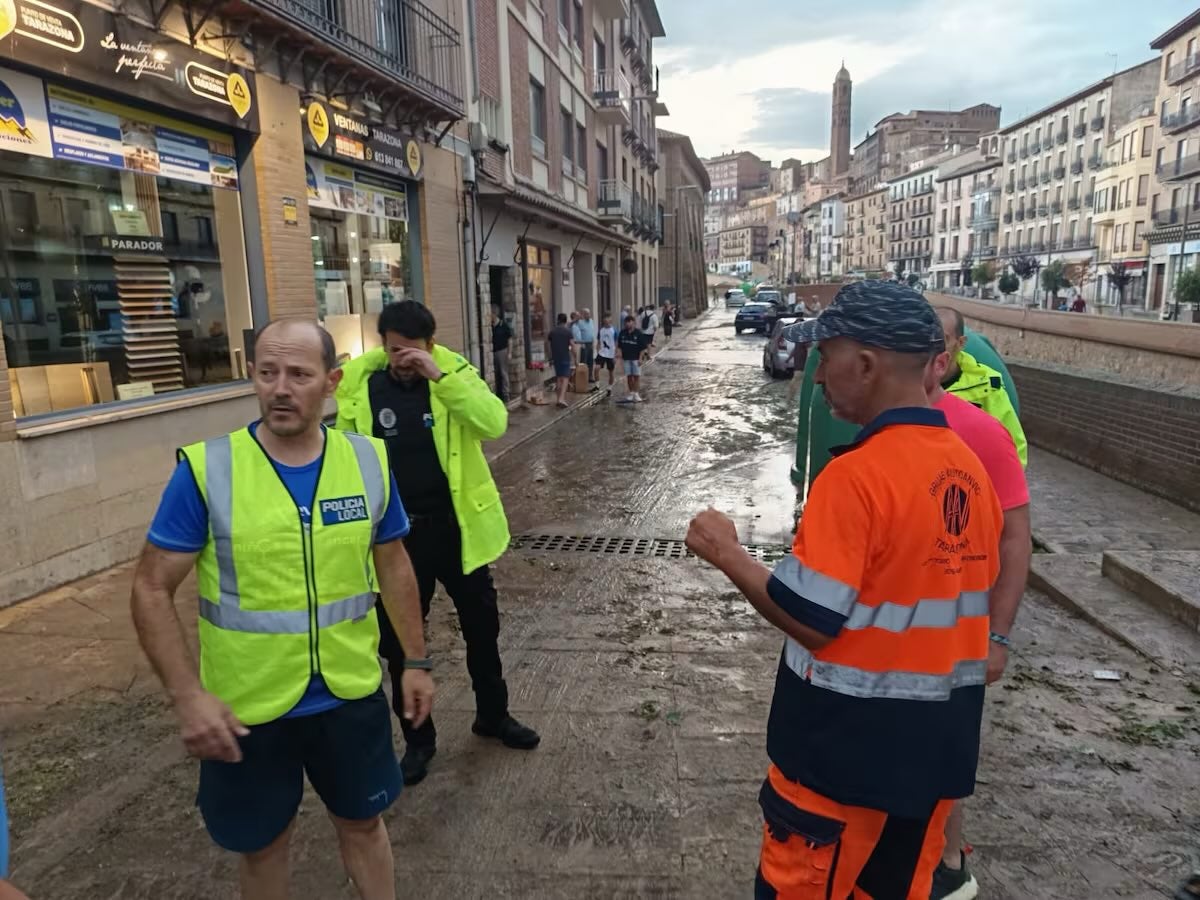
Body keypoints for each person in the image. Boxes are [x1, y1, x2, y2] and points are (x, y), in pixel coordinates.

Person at [688, 282, 1003, 898]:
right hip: (935, 760)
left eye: (825, 356)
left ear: (865, 365)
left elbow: (810, 617)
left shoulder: (855, 478)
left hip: (843, 767)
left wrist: (727, 552)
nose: (817, 371)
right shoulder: (968, 470)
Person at [130, 319, 433, 900]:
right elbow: (149, 587)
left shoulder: (368, 461)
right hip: (249, 707)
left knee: (364, 824)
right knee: (265, 845)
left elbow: (393, 564)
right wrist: (187, 695)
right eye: (267, 373)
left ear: (332, 382)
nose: (280, 388)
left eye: (298, 374)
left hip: (348, 692)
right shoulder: (207, 470)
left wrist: (415, 660)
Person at [335, 301, 539, 786]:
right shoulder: (359, 381)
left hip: (457, 530)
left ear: (430, 344)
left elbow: (494, 422)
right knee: (401, 643)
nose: (400, 359)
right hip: (395, 538)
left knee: (482, 629)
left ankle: (493, 716)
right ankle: (418, 742)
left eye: (410, 350)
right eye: (392, 350)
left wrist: (439, 376)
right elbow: (344, 450)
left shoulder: (454, 371)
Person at [926, 346, 1032, 900]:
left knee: (947, 752)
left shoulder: (982, 433)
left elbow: (1016, 539)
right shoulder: (874, 429)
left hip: (958, 635)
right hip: (887, 643)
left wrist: (998, 634)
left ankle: (948, 864)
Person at [936, 307, 1028, 467]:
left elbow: (1013, 446)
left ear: (961, 343)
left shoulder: (987, 386)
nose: (935, 347)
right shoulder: (908, 382)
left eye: (943, 339)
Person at [616, 314, 647, 403]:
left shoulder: (638, 333)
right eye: (626, 322)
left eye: (630, 322)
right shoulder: (622, 333)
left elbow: (642, 348)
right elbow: (619, 346)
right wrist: (619, 354)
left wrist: (640, 358)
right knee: (629, 376)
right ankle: (631, 393)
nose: (628, 324)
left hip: (636, 359)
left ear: (634, 323)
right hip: (626, 358)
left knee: (636, 376)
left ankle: (636, 394)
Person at [547, 312, 575, 408]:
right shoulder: (568, 332)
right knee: (565, 378)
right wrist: (575, 358)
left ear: (558, 320)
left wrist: (549, 356)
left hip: (555, 357)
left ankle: (558, 398)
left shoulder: (552, 331)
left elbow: (547, 344)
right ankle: (561, 399)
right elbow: (572, 345)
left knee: (559, 378)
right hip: (565, 357)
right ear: (565, 320)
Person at [490, 305, 513, 403]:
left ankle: (506, 394)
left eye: (490, 314)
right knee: (495, 373)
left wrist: (509, 353)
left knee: (503, 373)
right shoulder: (490, 326)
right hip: (493, 352)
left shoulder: (503, 325)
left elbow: (510, 339)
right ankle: (497, 393)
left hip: (502, 351)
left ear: (494, 314)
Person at [571, 308, 597, 382]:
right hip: (583, 343)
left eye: (589, 313)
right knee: (584, 361)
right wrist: (577, 318)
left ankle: (590, 376)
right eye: (586, 314)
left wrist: (593, 342)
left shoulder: (591, 321)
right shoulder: (580, 322)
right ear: (583, 315)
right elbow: (573, 328)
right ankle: (584, 377)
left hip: (590, 343)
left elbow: (592, 332)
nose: (588, 315)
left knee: (590, 361)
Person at [596, 313, 617, 394]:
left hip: (611, 354)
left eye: (608, 319)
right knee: (596, 368)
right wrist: (597, 351)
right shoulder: (601, 330)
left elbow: (616, 343)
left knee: (611, 371)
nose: (607, 321)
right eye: (605, 319)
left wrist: (615, 355)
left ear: (611, 320)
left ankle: (609, 387)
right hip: (602, 353)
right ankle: (597, 385)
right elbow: (598, 341)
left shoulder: (614, 331)